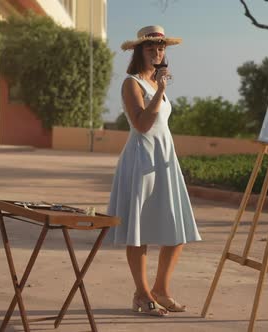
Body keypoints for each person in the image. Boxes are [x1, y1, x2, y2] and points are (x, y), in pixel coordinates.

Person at [106, 25, 202, 317]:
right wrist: (159, 90)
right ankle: (142, 293)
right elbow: (142, 125)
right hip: (140, 159)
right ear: (139, 51)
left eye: (161, 47)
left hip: (163, 159)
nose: (157, 52)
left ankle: (160, 289)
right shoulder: (132, 83)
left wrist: (161, 89)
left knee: (178, 228)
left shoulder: (158, 84)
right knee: (138, 231)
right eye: (151, 48)